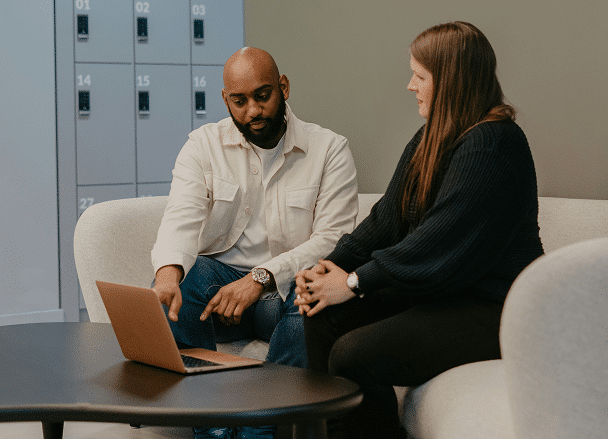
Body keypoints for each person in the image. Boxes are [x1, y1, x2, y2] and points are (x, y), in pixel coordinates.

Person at [295, 21, 544, 439]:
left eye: (420, 76)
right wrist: (328, 267)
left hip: (494, 310)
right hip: (443, 296)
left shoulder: (495, 145)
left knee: (354, 353)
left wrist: (354, 281)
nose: (410, 86)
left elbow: (438, 244)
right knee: (324, 316)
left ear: (451, 81)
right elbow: (386, 219)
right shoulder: (433, 136)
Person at [151, 47, 358, 439]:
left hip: (291, 288)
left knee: (312, 310)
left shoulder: (330, 149)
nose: (253, 111)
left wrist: (262, 277)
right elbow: (182, 214)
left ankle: (255, 432)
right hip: (221, 288)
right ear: (225, 99)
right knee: (184, 284)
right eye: (239, 101)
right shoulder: (203, 145)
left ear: (283, 88)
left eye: (263, 96)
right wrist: (166, 275)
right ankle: (210, 427)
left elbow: (333, 240)